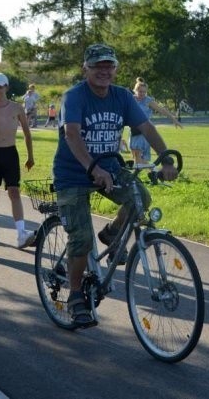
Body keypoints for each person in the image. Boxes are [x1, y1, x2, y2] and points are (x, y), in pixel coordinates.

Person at [53, 43, 178, 328]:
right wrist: (92, 167)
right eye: (97, 66)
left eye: (109, 65)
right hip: (73, 174)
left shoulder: (122, 96)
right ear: (86, 68)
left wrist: (166, 158)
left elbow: (146, 128)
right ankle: (74, 297)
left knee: (139, 200)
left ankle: (111, 234)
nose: (104, 71)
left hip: (110, 168)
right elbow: (72, 135)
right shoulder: (74, 96)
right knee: (81, 239)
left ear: (116, 69)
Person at [0, 72, 36, 249]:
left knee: (14, 191)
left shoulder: (17, 108)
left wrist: (30, 155)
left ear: (6, 88)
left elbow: (27, 132)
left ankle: (21, 233)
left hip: (10, 153)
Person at [129, 77, 182, 166]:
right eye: (140, 91)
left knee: (138, 158)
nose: (142, 94)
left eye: (144, 92)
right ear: (135, 90)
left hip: (145, 130)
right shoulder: (131, 99)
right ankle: (150, 172)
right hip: (134, 130)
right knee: (135, 158)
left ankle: (153, 170)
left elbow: (162, 110)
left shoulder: (148, 101)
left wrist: (174, 119)